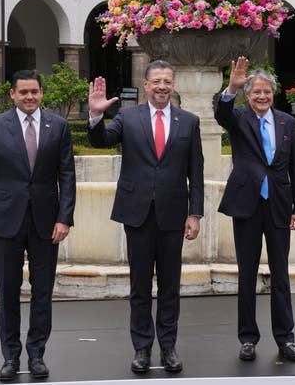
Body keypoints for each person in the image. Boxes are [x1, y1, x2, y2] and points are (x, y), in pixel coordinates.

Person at [0, 70, 76, 381]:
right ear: (12, 95)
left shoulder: (58, 126)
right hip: (6, 221)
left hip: (46, 224)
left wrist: (65, 218)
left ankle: (36, 355)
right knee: (8, 293)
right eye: (23, 92)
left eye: (34, 91)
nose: (29, 97)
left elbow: (67, 175)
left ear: (41, 93)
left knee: (42, 293)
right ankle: (10, 356)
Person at [86, 60, 204, 373]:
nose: (162, 86)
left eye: (168, 81)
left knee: (170, 287)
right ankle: (141, 348)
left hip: (173, 215)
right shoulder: (128, 116)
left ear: (173, 84)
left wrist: (196, 213)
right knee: (139, 287)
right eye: (157, 81)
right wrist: (96, 114)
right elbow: (101, 141)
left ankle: (168, 347)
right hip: (136, 214)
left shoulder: (189, 122)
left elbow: (197, 172)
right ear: (147, 84)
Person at [215, 56, 295, 362]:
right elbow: (221, 113)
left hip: (280, 205)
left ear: (273, 93)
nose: (262, 96)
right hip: (247, 204)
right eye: (256, 91)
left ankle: (286, 338)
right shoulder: (239, 118)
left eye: (266, 91)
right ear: (248, 94)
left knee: (281, 274)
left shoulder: (288, 123)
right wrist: (231, 86)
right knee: (247, 273)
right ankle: (247, 338)